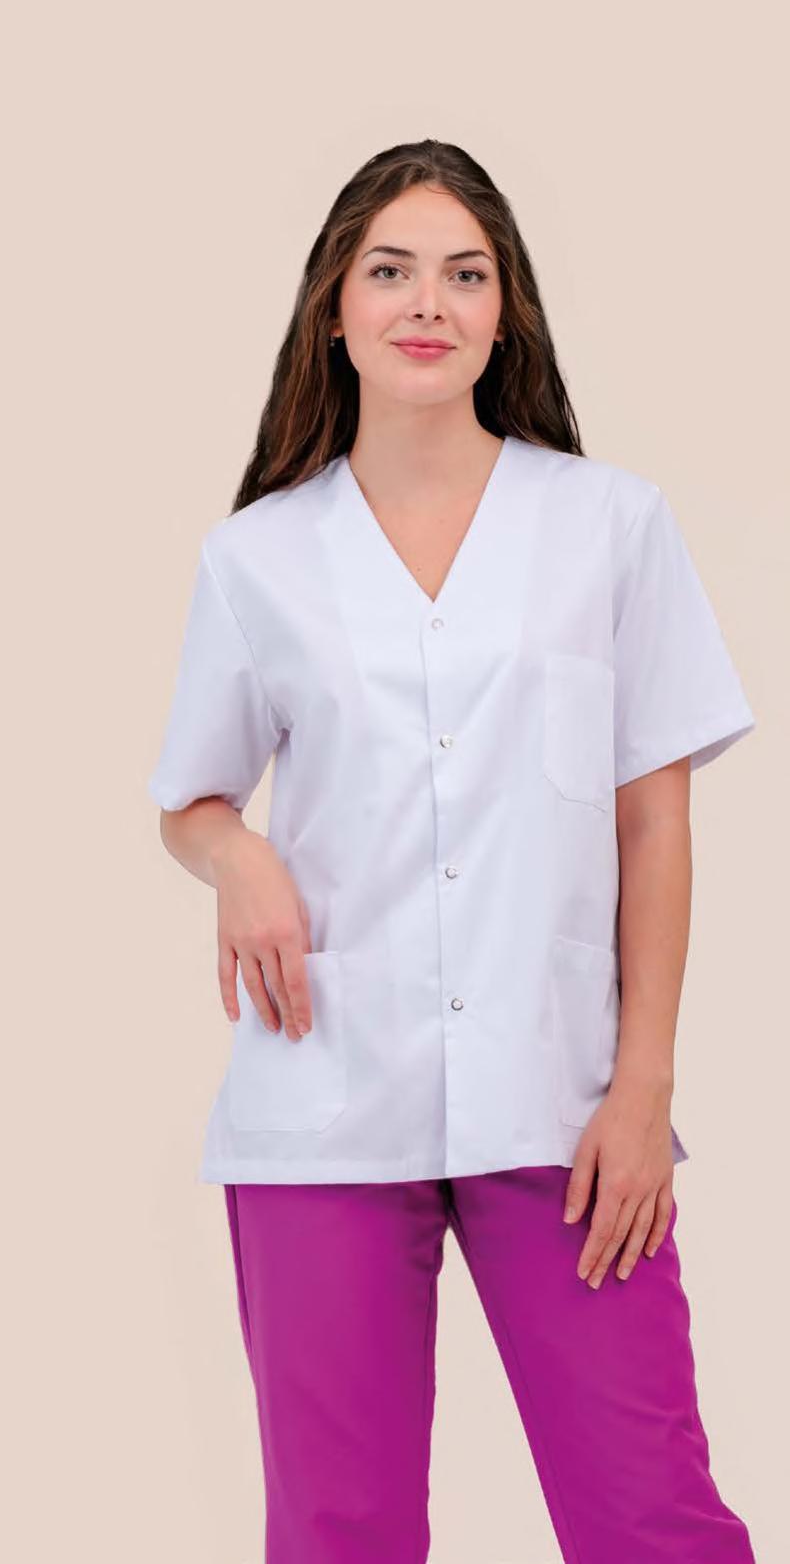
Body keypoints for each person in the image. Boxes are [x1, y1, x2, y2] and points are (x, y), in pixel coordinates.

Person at [147, 140, 758, 1562]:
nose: (429, 301)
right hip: (322, 1100)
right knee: (338, 1531)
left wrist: (643, 1085)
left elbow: (653, 816)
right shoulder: (258, 558)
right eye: (392, 270)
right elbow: (192, 800)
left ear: (504, 313)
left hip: (563, 1103)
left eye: (465, 274)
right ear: (336, 308)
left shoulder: (609, 527)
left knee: (651, 1521)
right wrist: (238, 857)